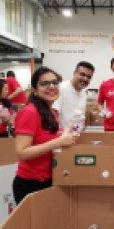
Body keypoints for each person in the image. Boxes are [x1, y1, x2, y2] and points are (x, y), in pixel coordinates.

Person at [12, 66, 76, 205]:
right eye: (44, 83)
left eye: (54, 82)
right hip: (31, 184)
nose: (51, 86)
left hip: (48, 180)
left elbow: (47, 140)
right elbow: (21, 152)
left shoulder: (50, 111)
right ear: (34, 90)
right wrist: (59, 141)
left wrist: (64, 136)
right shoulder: (30, 113)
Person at [53, 61, 94, 130]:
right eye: (82, 74)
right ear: (74, 73)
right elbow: (54, 114)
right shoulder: (61, 88)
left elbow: (80, 117)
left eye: (88, 77)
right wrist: (61, 135)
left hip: (75, 136)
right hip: (62, 136)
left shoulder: (83, 93)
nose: (85, 79)